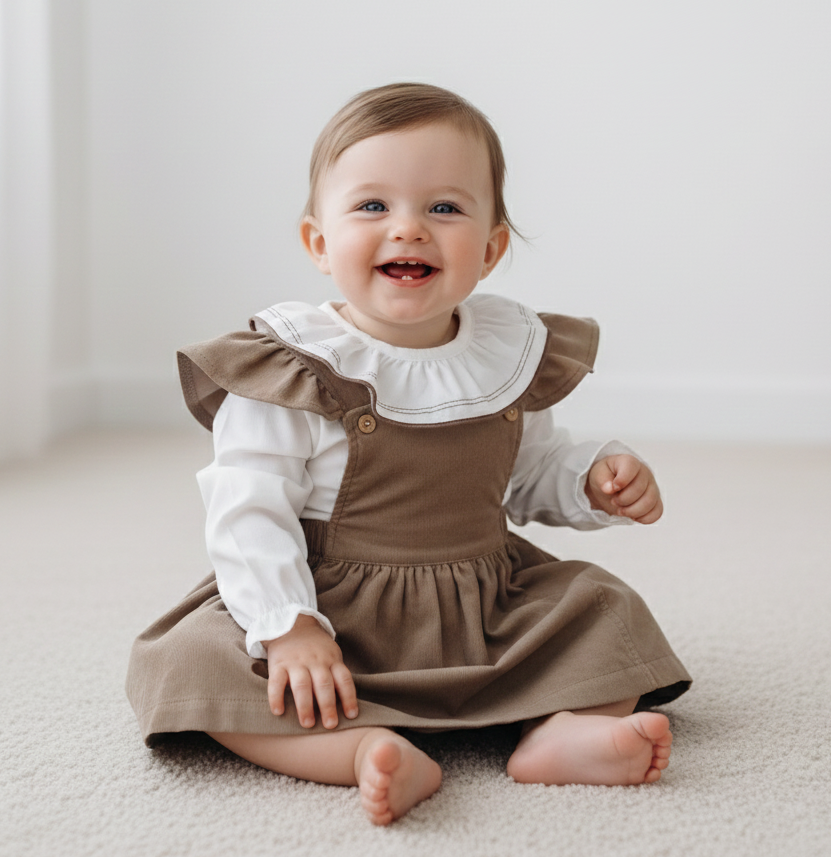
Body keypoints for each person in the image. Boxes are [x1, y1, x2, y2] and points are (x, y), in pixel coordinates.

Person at [126, 82, 691, 826]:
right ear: (318, 243)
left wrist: (589, 480)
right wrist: (289, 627)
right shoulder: (294, 369)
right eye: (372, 206)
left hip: (482, 606)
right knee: (194, 661)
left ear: (490, 249)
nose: (408, 229)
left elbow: (524, 472)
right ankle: (360, 750)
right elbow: (247, 509)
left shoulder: (504, 356)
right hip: (334, 617)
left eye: (444, 208)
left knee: (604, 609)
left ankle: (558, 734)